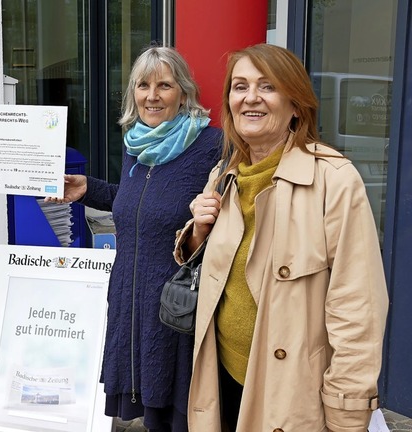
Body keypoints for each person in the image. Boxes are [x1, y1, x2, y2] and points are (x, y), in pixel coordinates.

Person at [173, 43, 389, 431]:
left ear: (295, 104)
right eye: (240, 86)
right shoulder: (225, 174)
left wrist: (347, 413)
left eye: (267, 86)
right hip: (222, 378)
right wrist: (198, 233)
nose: (250, 98)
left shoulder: (334, 180)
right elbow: (217, 273)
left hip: (290, 393)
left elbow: (358, 310)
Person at [46, 46, 221, 431]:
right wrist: (87, 188)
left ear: (184, 92)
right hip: (132, 296)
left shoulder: (210, 146)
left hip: (177, 304)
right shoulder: (136, 146)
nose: (152, 95)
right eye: (143, 85)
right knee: (151, 413)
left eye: (164, 85)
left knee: (180, 412)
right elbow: (135, 206)